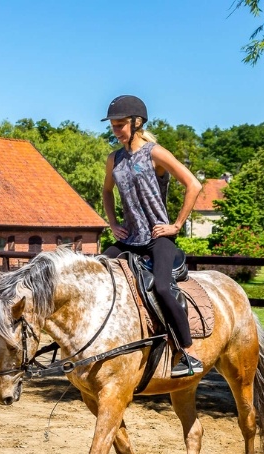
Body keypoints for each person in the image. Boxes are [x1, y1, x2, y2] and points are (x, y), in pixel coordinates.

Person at [100, 95, 203, 377]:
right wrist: (112, 224)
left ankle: (189, 353)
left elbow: (193, 184)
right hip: (129, 237)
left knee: (161, 287)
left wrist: (176, 225)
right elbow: (107, 192)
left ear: (137, 123)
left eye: (120, 125)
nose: (116, 130)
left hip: (159, 238)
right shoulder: (114, 159)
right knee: (98, 269)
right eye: (113, 125)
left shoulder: (155, 153)